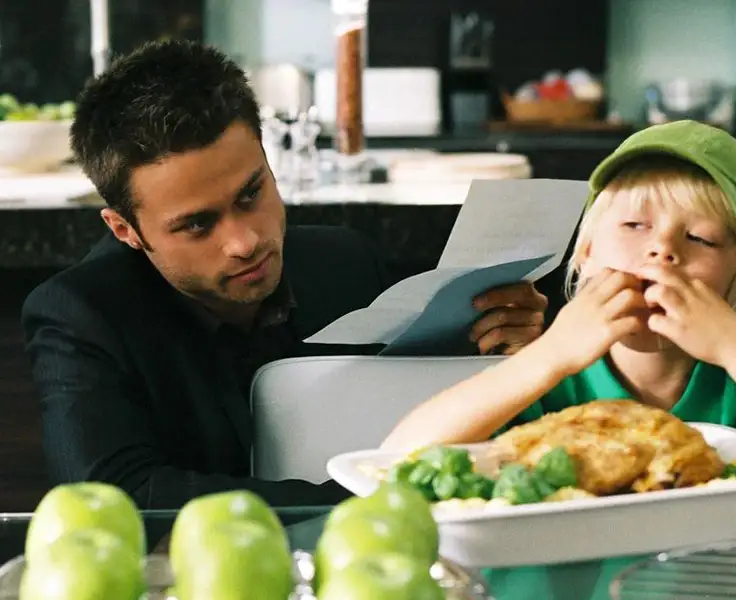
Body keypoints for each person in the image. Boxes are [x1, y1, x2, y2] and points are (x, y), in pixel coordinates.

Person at [21, 39, 548, 510]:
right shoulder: (81, 314)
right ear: (125, 230)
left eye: (251, 194)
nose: (244, 242)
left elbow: (414, 414)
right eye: (197, 225)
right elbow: (116, 496)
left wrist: (497, 349)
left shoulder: (344, 261)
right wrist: (374, 496)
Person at [381, 120, 736, 509]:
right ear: (584, 255)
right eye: (633, 225)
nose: (662, 251)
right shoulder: (549, 380)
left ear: (735, 279)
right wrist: (549, 356)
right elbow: (400, 461)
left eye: (699, 238)